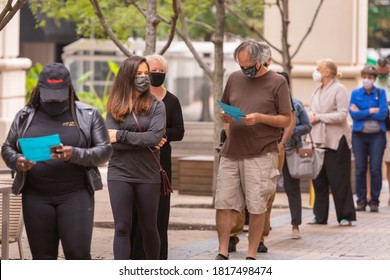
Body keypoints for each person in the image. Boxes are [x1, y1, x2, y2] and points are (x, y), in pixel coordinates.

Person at [1, 63, 113, 259]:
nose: (53, 99)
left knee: (77, 255)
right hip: (36, 197)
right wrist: (18, 160)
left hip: (75, 196)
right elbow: (7, 148)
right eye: (49, 93)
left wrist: (75, 154)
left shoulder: (88, 115)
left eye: (58, 93)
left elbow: (104, 151)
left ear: (68, 89)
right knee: (42, 259)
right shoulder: (25, 116)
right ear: (40, 89)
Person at [215, 39, 292, 260]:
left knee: (257, 206)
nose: (245, 70)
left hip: (261, 153)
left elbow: (286, 120)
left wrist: (260, 118)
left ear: (260, 60)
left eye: (249, 66)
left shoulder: (278, 82)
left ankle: (251, 254)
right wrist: (225, 118)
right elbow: (224, 109)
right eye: (241, 66)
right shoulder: (234, 78)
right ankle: (222, 251)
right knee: (223, 203)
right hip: (231, 152)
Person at [106, 56, 167, 260]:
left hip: (147, 175)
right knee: (122, 226)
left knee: (149, 227)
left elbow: (154, 137)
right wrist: (142, 140)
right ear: (127, 77)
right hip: (119, 172)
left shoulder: (157, 106)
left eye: (145, 74)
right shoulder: (115, 104)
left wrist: (121, 136)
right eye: (138, 74)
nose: (143, 78)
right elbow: (109, 140)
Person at [131, 54, 185, 260]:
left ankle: (158, 260)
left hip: (161, 163)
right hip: (136, 161)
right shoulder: (134, 99)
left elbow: (179, 131)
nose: (156, 74)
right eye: (152, 70)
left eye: (161, 71)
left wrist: (161, 134)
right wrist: (147, 136)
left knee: (159, 214)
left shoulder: (172, 101)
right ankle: (134, 259)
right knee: (135, 212)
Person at [308, 58, 356, 226]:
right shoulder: (317, 90)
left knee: (339, 180)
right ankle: (319, 216)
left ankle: (345, 215)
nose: (316, 72)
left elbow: (342, 114)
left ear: (327, 72)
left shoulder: (339, 88)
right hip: (319, 141)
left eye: (318, 69)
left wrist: (318, 117)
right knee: (319, 180)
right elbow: (313, 112)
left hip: (337, 142)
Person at [349, 65, 387, 212]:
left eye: (370, 78)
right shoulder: (355, 93)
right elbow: (353, 115)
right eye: (365, 77)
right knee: (360, 169)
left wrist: (362, 112)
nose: (367, 80)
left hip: (377, 136)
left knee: (376, 168)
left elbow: (383, 114)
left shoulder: (381, 92)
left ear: (375, 79)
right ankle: (361, 200)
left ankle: (374, 201)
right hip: (359, 136)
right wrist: (371, 110)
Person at [278, 72, 311, 239]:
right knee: (264, 191)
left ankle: (295, 225)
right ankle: (262, 229)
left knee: (292, 189)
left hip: (290, 151)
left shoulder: (296, 104)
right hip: (269, 151)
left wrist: (290, 133)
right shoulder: (268, 104)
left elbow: (307, 126)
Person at [375, 57, 390, 206]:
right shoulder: (373, 79)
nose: (382, 75)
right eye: (379, 72)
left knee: (389, 163)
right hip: (379, 125)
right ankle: (374, 196)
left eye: (384, 72)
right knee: (377, 163)